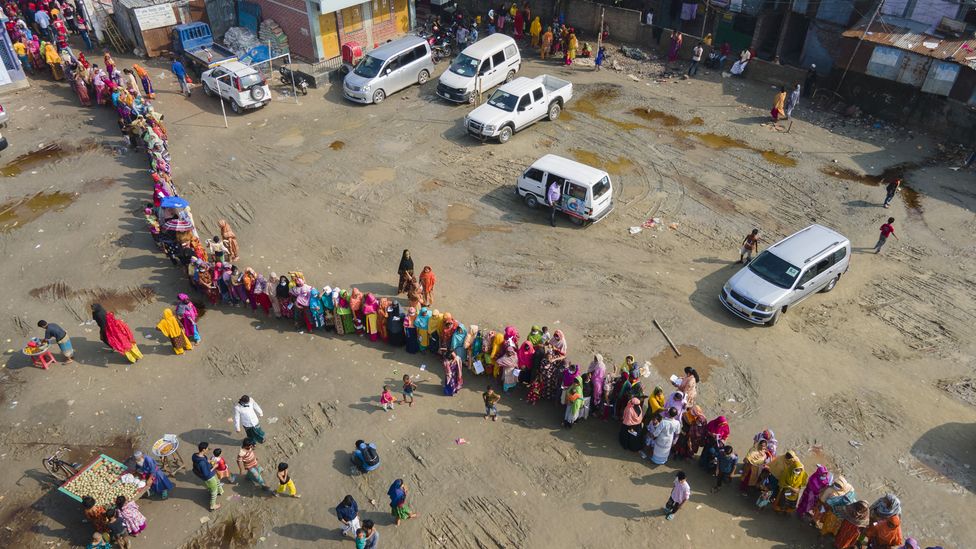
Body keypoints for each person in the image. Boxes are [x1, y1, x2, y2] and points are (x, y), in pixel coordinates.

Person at [192, 442, 223, 511]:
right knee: (214, 490)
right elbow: (206, 474)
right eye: (207, 448)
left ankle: (219, 491)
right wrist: (214, 467)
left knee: (217, 481)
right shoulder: (202, 463)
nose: (208, 449)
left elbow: (205, 460)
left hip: (211, 474)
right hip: (209, 477)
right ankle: (212, 505)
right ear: (203, 450)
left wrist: (209, 461)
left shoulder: (195, 455)